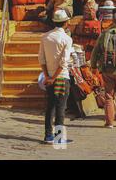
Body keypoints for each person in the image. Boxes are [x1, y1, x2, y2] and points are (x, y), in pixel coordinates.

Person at [38, 10, 73, 144]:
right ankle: (58, 137)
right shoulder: (67, 39)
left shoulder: (45, 37)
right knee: (60, 107)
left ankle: (48, 135)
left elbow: (41, 59)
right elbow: (63, 62)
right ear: (65, 22)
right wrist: (54, 77)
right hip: (61, 78)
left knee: (50, 106)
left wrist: (48, 76)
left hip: (49, 77)